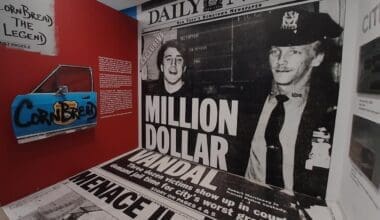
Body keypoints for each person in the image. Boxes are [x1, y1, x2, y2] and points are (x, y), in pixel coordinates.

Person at [244, 9, 343, 199]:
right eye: (275, 52)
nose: (281, 60)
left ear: (317, 58)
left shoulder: (331, 109)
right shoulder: (250, 97)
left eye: (294, 52)